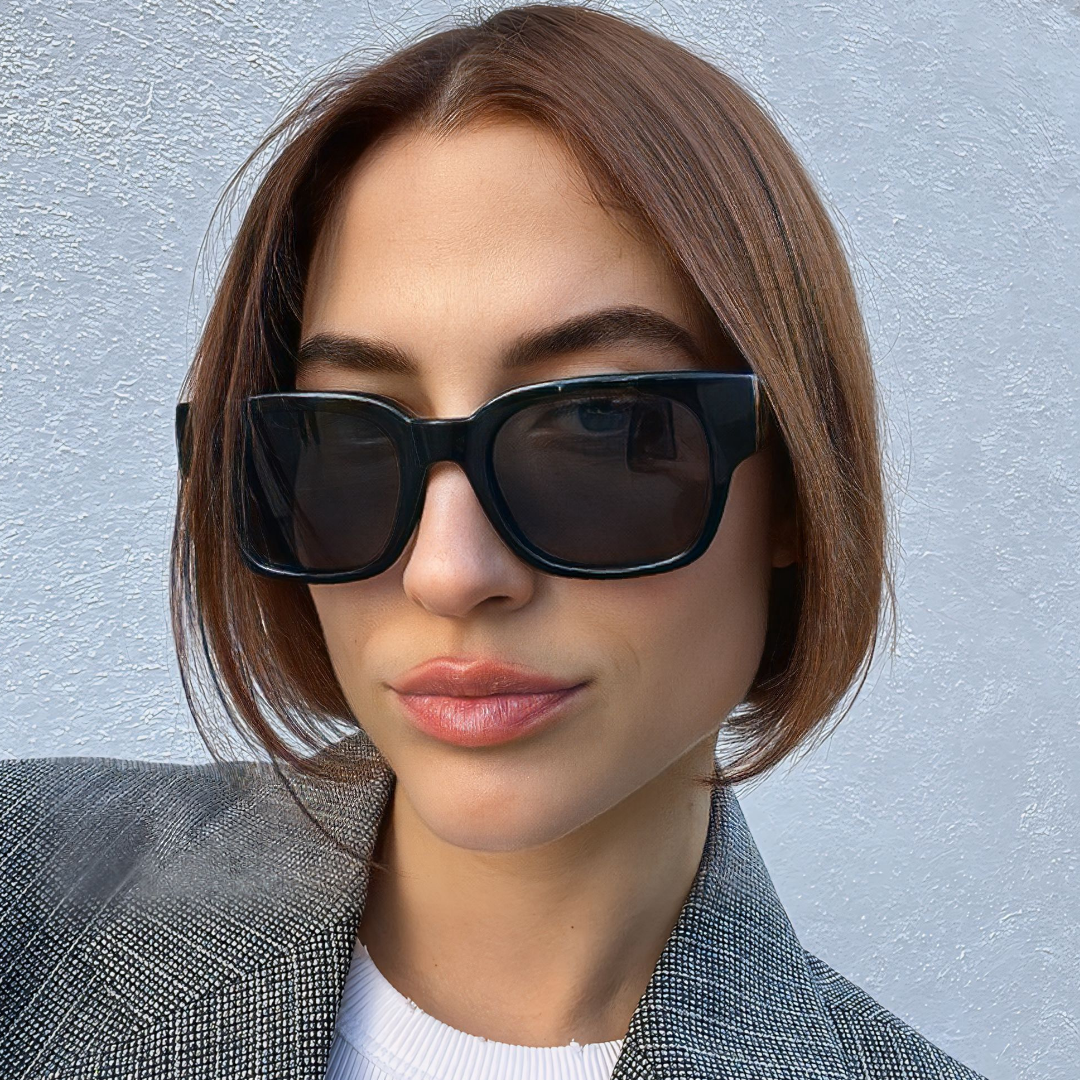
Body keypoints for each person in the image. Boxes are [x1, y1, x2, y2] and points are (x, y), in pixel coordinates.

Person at [0, 4, 989, 1078]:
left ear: (794, 482)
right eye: (346, 437)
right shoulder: (30, 895)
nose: (448, 571)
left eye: (598, 427)